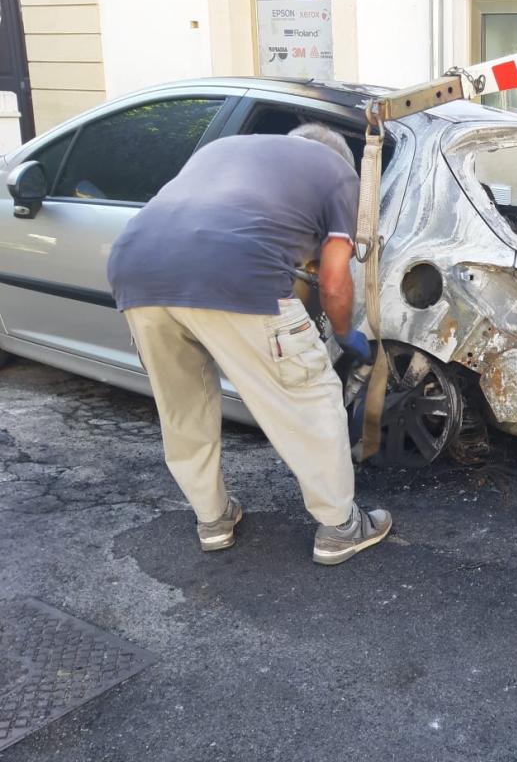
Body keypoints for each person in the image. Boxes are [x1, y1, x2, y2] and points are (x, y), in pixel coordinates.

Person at [107, 124, 392, 565]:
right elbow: (334, 281)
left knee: (182, 407)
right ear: (338, 154)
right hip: (237, 270)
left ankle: (213, 520)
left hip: (134, 269)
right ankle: (340, 527)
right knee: (308, 396)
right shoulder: (338, 171)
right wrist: (342, 334)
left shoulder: (223, 150)